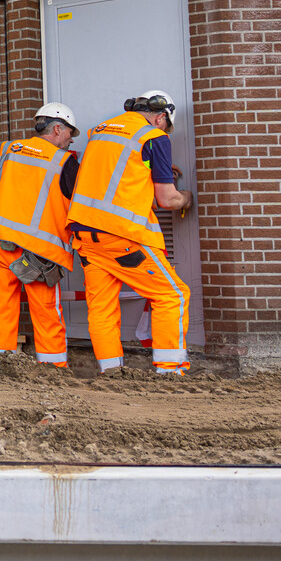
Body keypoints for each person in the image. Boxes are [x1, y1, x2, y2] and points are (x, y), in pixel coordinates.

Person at [68, 90, 195, 375]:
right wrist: (186, 197)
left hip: (85, 236)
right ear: (160, 116)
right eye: (166, 125)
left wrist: (156, 171)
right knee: (172, 295)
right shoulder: (153, 137)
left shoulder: (100, 132)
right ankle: (170, 370)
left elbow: (117, 180)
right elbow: (167, 200)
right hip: (122, 236)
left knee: (101, 307)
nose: (165, 130)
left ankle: (111, 372)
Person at [0, 102, 79, 367]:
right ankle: (53, 370)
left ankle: (2, 367)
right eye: (69, 134)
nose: (70, 140)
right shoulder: (65, 162)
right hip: (39, 251)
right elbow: (86, 198)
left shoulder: (10, 149)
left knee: (4, 310)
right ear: (57, 129)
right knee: (45, 312)